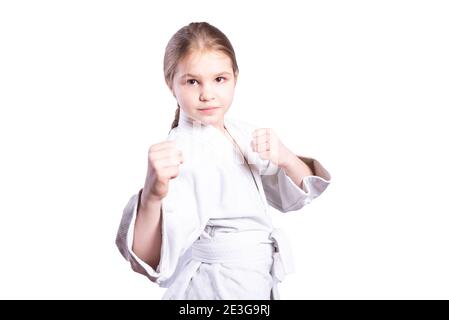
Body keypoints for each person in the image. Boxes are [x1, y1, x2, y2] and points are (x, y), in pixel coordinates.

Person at [116, 21, 331, 300]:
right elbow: (150, 258)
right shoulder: (183, 151)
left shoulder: (242, 133)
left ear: (235, 77)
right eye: (192, 81)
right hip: (215, 289)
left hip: (253, 282)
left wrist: (285, 156)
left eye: (219, 79)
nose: (207, 94)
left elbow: (299, 196)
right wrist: (153, 197)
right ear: (171, 83)